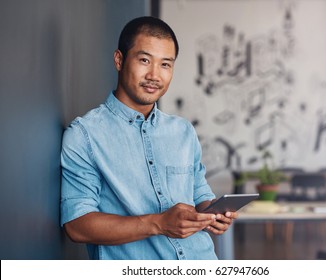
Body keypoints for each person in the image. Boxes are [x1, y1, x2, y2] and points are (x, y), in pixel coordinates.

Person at [60, 16, 237, 260]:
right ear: (119, 60)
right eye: (145, 60)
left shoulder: (183, 131)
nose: (155, 75)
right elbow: (76, 225)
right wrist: (159, 223)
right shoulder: (85, 135)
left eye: (166, 64)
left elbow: (199, 194)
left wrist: (212, 214)